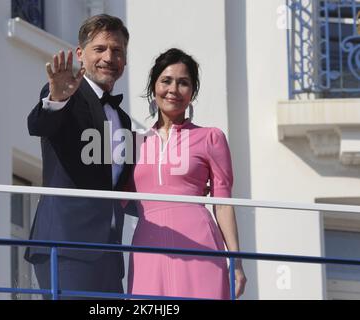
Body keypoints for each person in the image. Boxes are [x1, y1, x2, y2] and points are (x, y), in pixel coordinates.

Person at [25, 14, 134, 299]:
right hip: (66, 245)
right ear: (79, 54)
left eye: (117, 50)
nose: (109, 57)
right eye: (100, 49)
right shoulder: (65, 94)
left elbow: (121, 186)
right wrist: (57, 98)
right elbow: (39, 125)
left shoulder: (123, 118)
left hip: (110, 253)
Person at [127, 48, 247, 299]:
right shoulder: (133, 144)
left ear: (192, 93)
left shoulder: (210, 137)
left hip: (199, 244)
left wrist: (236, 260)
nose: (174, 89)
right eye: (166, 81)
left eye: (183, 83)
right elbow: (119, 198)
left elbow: (223, 204)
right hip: (148, 245)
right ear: (154, 86)